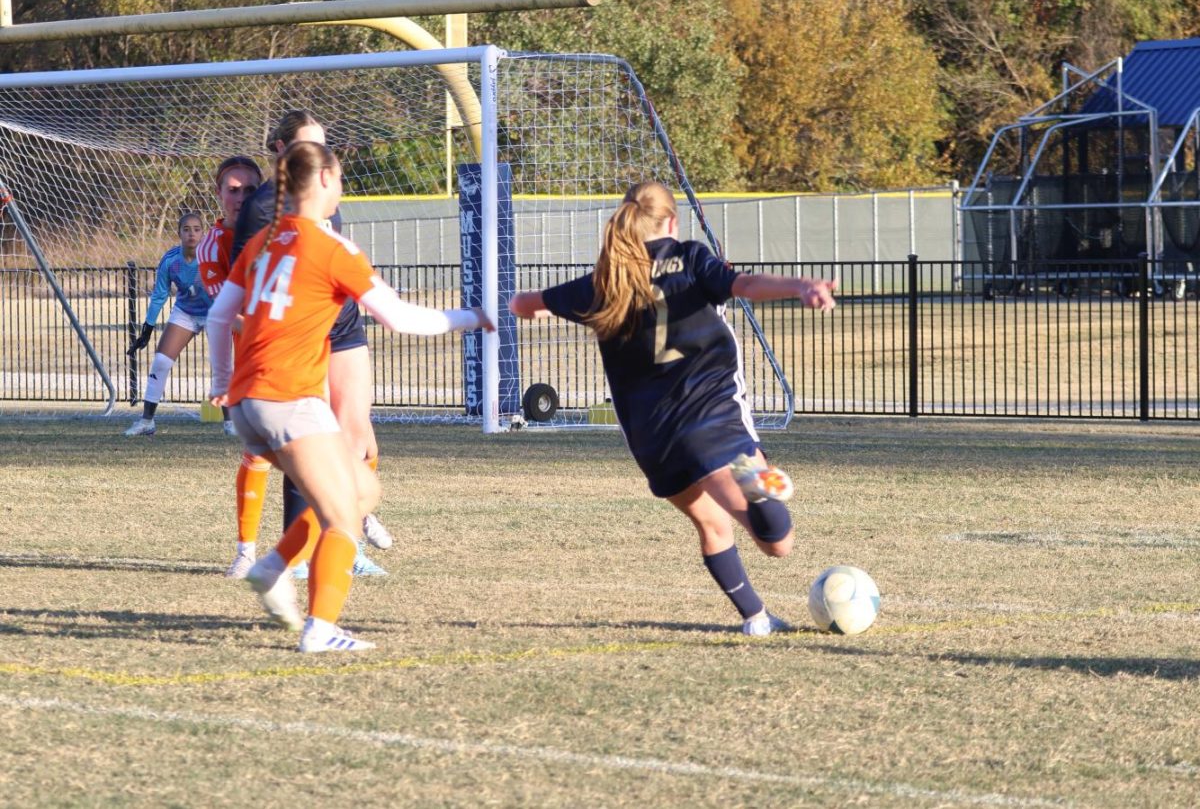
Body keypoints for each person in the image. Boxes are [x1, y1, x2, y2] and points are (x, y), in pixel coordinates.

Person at [509, 181, 837, 636]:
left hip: (653, 437)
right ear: (672, 221)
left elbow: (524, 304)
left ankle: (756, 618)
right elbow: (743, 284)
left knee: (711, 524)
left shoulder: (605, 281)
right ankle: (756, 486)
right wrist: (801, 285)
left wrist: (533, 308)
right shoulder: (692, 256)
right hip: (712, 414)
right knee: (778, 543)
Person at [207, 140, 493, 652]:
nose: (342, 188)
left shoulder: (263, 243)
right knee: (343, 518)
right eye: (338, 178)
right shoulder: (332, 247)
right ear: (321, 182)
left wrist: (221, 383)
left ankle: (272, 567)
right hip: (289, 397)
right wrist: (472, 317)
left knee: (362, 490)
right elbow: (401, 318)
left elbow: (219, 316)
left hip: (250, 402)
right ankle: (320, 628)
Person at [230, 110, 393, 578]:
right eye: (309, 144)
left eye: (324, 144)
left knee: (357, 436)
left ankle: (348, 537)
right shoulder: (266, 207)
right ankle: (300, 554)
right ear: (282, 151)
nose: (321, 155)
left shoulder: (326, 193)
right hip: (305, 332)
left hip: (345, 327)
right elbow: (247, 294)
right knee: (311, 444)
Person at [196, 155, 276, 579]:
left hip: (305, 354)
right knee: (259, 452)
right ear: (219, 194)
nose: (241, 198)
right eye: (233, 189)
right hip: (257, 359)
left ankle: (349, 535)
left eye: (250, 190)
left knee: (353, 441)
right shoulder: (213, 245)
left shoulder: (282, 231)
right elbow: (228, 313)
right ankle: (247, 552)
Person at [125, 212, 212, 435]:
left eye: (196, 229)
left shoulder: (213, 255)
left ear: (203, 232)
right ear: (179, 233)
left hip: (215, 312)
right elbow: (159, 294)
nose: (192, 233)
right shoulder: (170, 260)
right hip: (185, 313)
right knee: (161, 362)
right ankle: (147, 421)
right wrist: (147, 329)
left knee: (223, 367)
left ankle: (230, 422)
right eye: (186, 229)